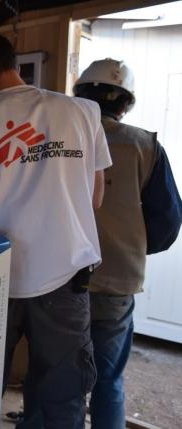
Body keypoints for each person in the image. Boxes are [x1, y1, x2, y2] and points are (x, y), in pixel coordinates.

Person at [0, 33, 111, 428]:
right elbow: (96, 197)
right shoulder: (83, 112)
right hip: (67, 275)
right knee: (62, 391)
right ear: (13, 65)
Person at [74, 58, 182, 429]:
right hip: (116, 279)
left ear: (80, 94)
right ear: (125, 103)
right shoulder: (145, 145)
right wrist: (131, 244)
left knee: (60, 376)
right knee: (109, 378)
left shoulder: (59, 138)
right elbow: (167, 220)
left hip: (58, 276)